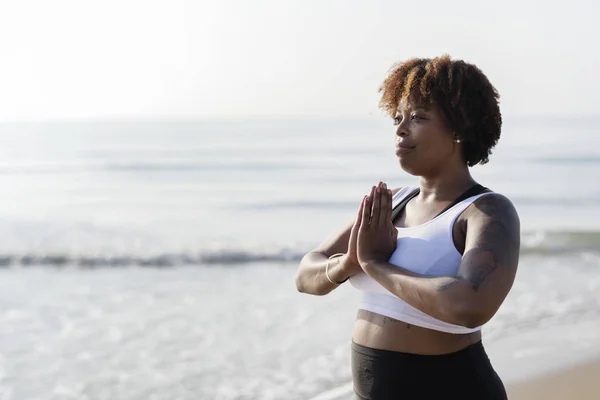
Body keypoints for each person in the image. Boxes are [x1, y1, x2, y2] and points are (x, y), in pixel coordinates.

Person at [295, 55, 520, 400]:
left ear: (459, 128)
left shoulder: (485, 211)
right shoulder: (392, 201)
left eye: (418, 118)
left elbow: (471, 305)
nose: (400, 129)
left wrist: (376, 265)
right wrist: (348, 264)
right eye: (398, 117)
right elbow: (306, 276)